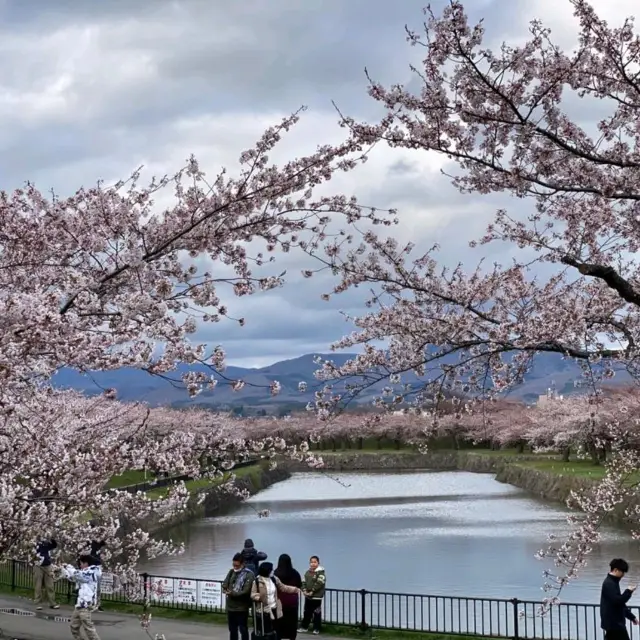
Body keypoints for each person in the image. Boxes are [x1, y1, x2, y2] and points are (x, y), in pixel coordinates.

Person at [251, 561, 300, 637]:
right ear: (267, 571)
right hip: (263, 610)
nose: (273, 571)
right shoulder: (257, 581)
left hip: (275, 608)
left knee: (275, 630)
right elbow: (252, 594)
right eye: (271, 569)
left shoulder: (274, 579)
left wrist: (295, 589)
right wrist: (260, 597)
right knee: (265, 631)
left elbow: (283, 587)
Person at [62, 554, 102, 640]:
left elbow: (79, 575)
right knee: (74, 626)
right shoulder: (85, 573)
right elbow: (73, 578)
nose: (80, 566)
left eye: (81, 563)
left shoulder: (92, 572)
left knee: (88, 628)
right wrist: (64, 570)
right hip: (80, 604)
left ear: (86, 563)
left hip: (86, 604)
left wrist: (69, 567)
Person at [601, 558, 638, 640]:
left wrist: (632, 617)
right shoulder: (609, 583)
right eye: (622, 572)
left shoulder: (613, 582)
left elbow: (620, 603)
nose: (623, 574)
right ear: (616, 570)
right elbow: (618, 601)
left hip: (613, 624)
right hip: (614, 624)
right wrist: (628, 591)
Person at [223, 552, 255, 640]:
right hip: (231, 607)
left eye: (237, 565)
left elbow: (245, 591)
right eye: (233, 565)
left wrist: (232, 593)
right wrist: (225, 588)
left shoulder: (249, 575)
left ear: (243, 564)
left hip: (241, 607)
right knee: (232, 630)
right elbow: (225, 583)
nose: (235, 567)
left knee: (243, 629)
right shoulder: (231, 572)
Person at [274, 554, 302, 640]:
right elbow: (299, 585)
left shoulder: (276, 573)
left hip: (280, 601)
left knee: (279, 622)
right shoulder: (295, 573)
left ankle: (279, 636)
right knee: (292, 622)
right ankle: (292, 637)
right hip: (292, 602)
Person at [299, 556, 326, 635]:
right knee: (307, 612)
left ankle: (316, 628)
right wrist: (304, 590)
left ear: (318, 563)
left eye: (315, 562)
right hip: (308, 596)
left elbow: (319, 583)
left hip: (317, 597)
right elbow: (303, 582)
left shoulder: (321, 573)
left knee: (317, 613)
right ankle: (304, 627)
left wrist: (312, 591)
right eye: (311, 562)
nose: (313, 564)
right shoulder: (307, 572)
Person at [33, 538, 59, 610]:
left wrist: (52, 538)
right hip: (38, 565)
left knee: (50, 585)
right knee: (38, 585)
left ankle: (52, 602)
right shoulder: (36, 543)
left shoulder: (47, 543)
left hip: (47, 565)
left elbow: (54, 545)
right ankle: (38, 602)